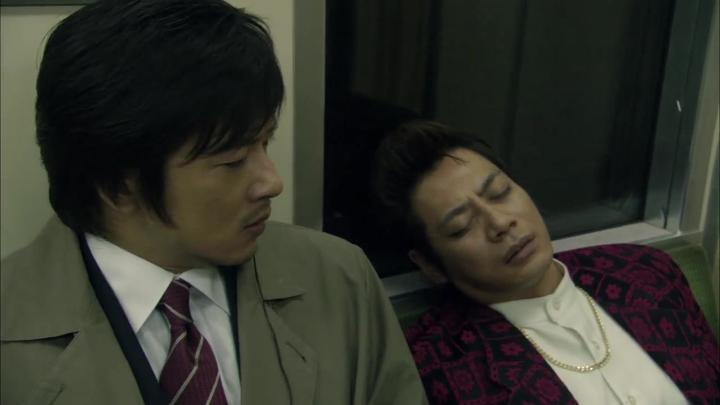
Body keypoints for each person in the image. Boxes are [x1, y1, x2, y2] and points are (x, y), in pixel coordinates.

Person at [0, 1, 427, 404]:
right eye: (233, 161)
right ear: (117, 185)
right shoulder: (13, 336)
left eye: (265, 143)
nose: (272, 182)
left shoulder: (339, 280)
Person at [372, 120, 719, 404]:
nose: (500, 223)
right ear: (430, 265)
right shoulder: (438, 366)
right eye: (462, 226)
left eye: (500, 193)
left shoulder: (645, 271)